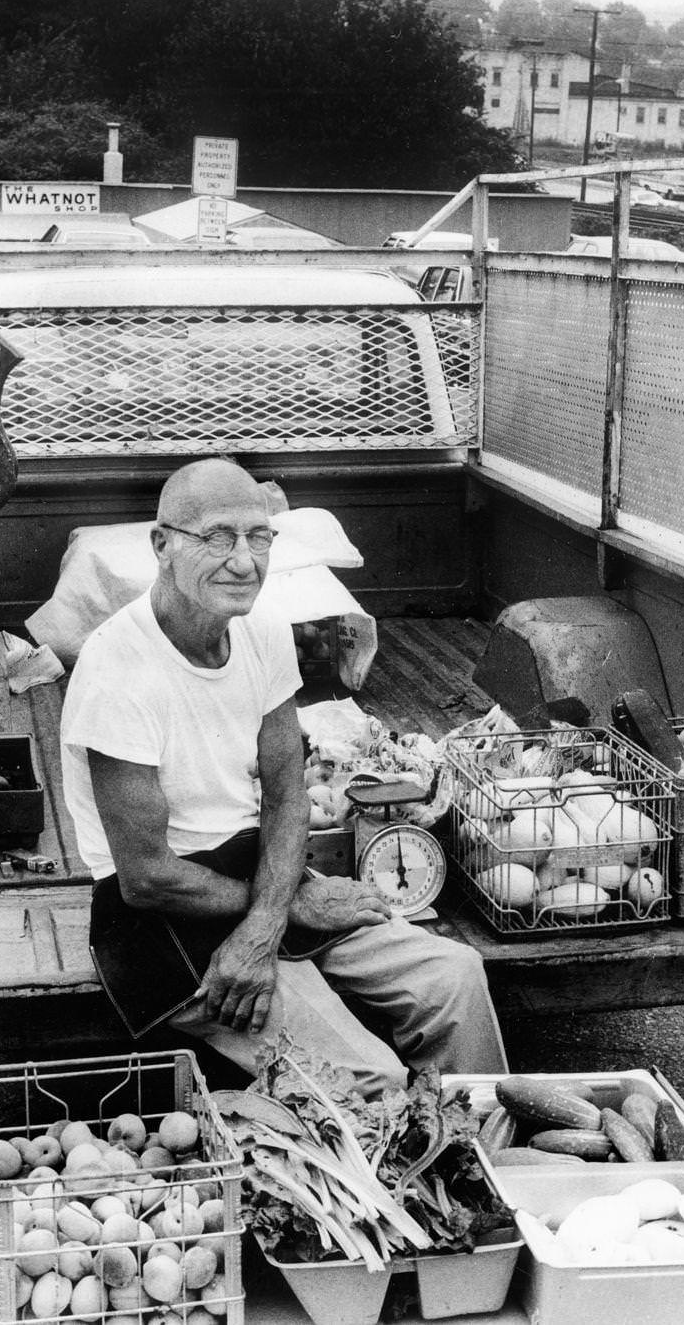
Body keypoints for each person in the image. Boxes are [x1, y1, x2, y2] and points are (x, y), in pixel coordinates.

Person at [61, 457, 507, 1094]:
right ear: (161, 545)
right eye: (217, 537)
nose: (243, 561)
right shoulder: (117, 671)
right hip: (163, 915)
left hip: (258, 877)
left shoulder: (262, 630)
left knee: (453, 977)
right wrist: (292, 907)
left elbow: (286, 794)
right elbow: (146, 877)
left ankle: (491, 1170)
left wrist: (274, 915)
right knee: (367, 1077)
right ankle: (394, 1181)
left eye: (259, 537)